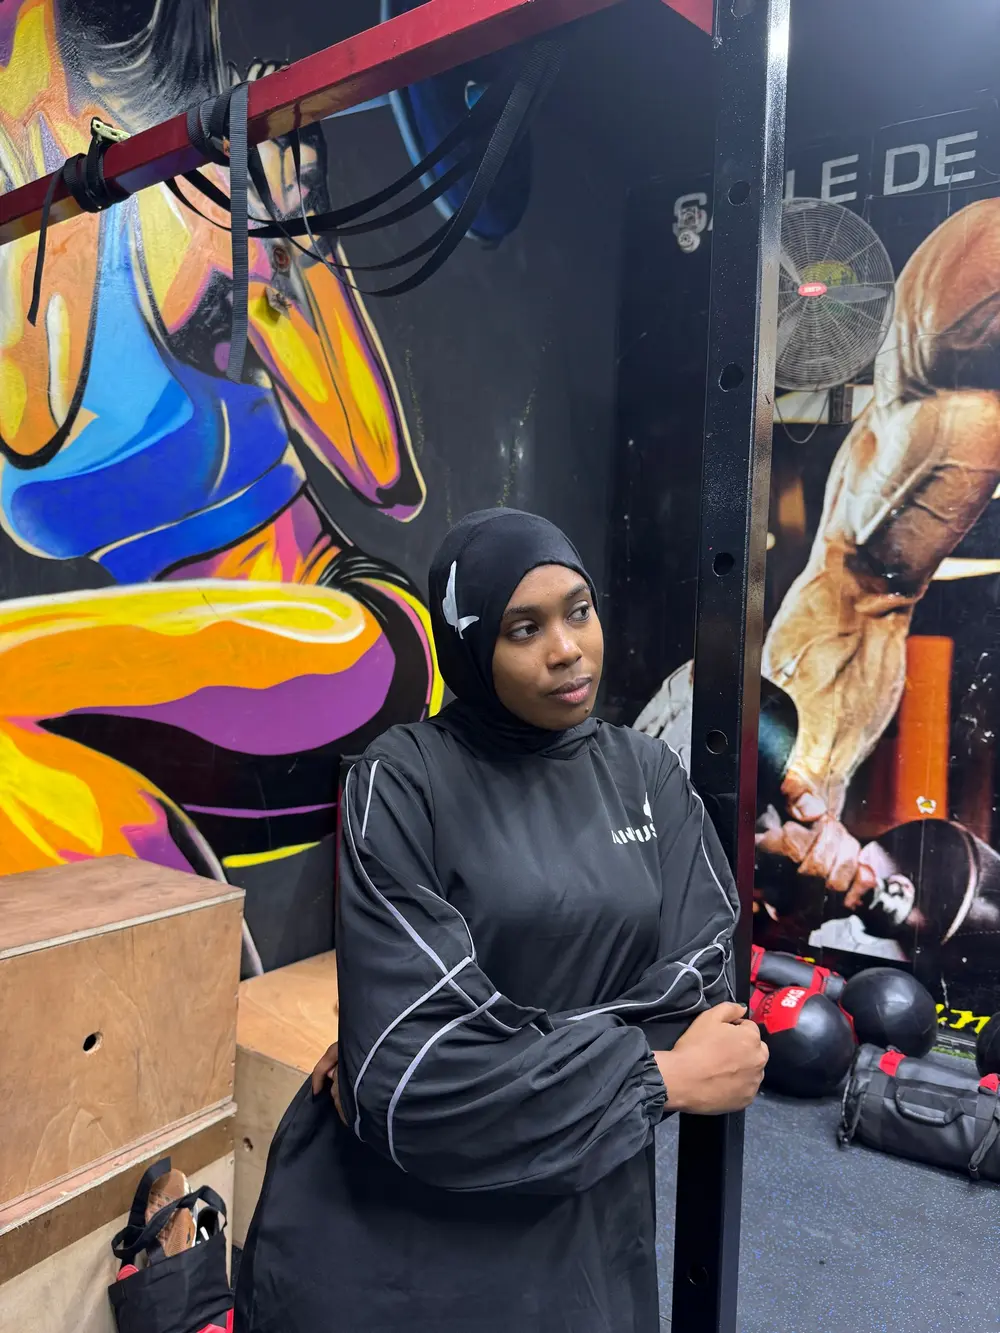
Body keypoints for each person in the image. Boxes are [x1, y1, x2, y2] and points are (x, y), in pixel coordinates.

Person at [235, 508, 766, 1333]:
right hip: (398, 1241)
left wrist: (465, 1049)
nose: (567, 648)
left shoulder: (647, 775)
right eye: (525, 627)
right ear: (470, 644)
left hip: (582, 1234)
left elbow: (697, 996)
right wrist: (657, 1077)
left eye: (579, 611)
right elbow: (418, 1083)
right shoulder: (402, 779)